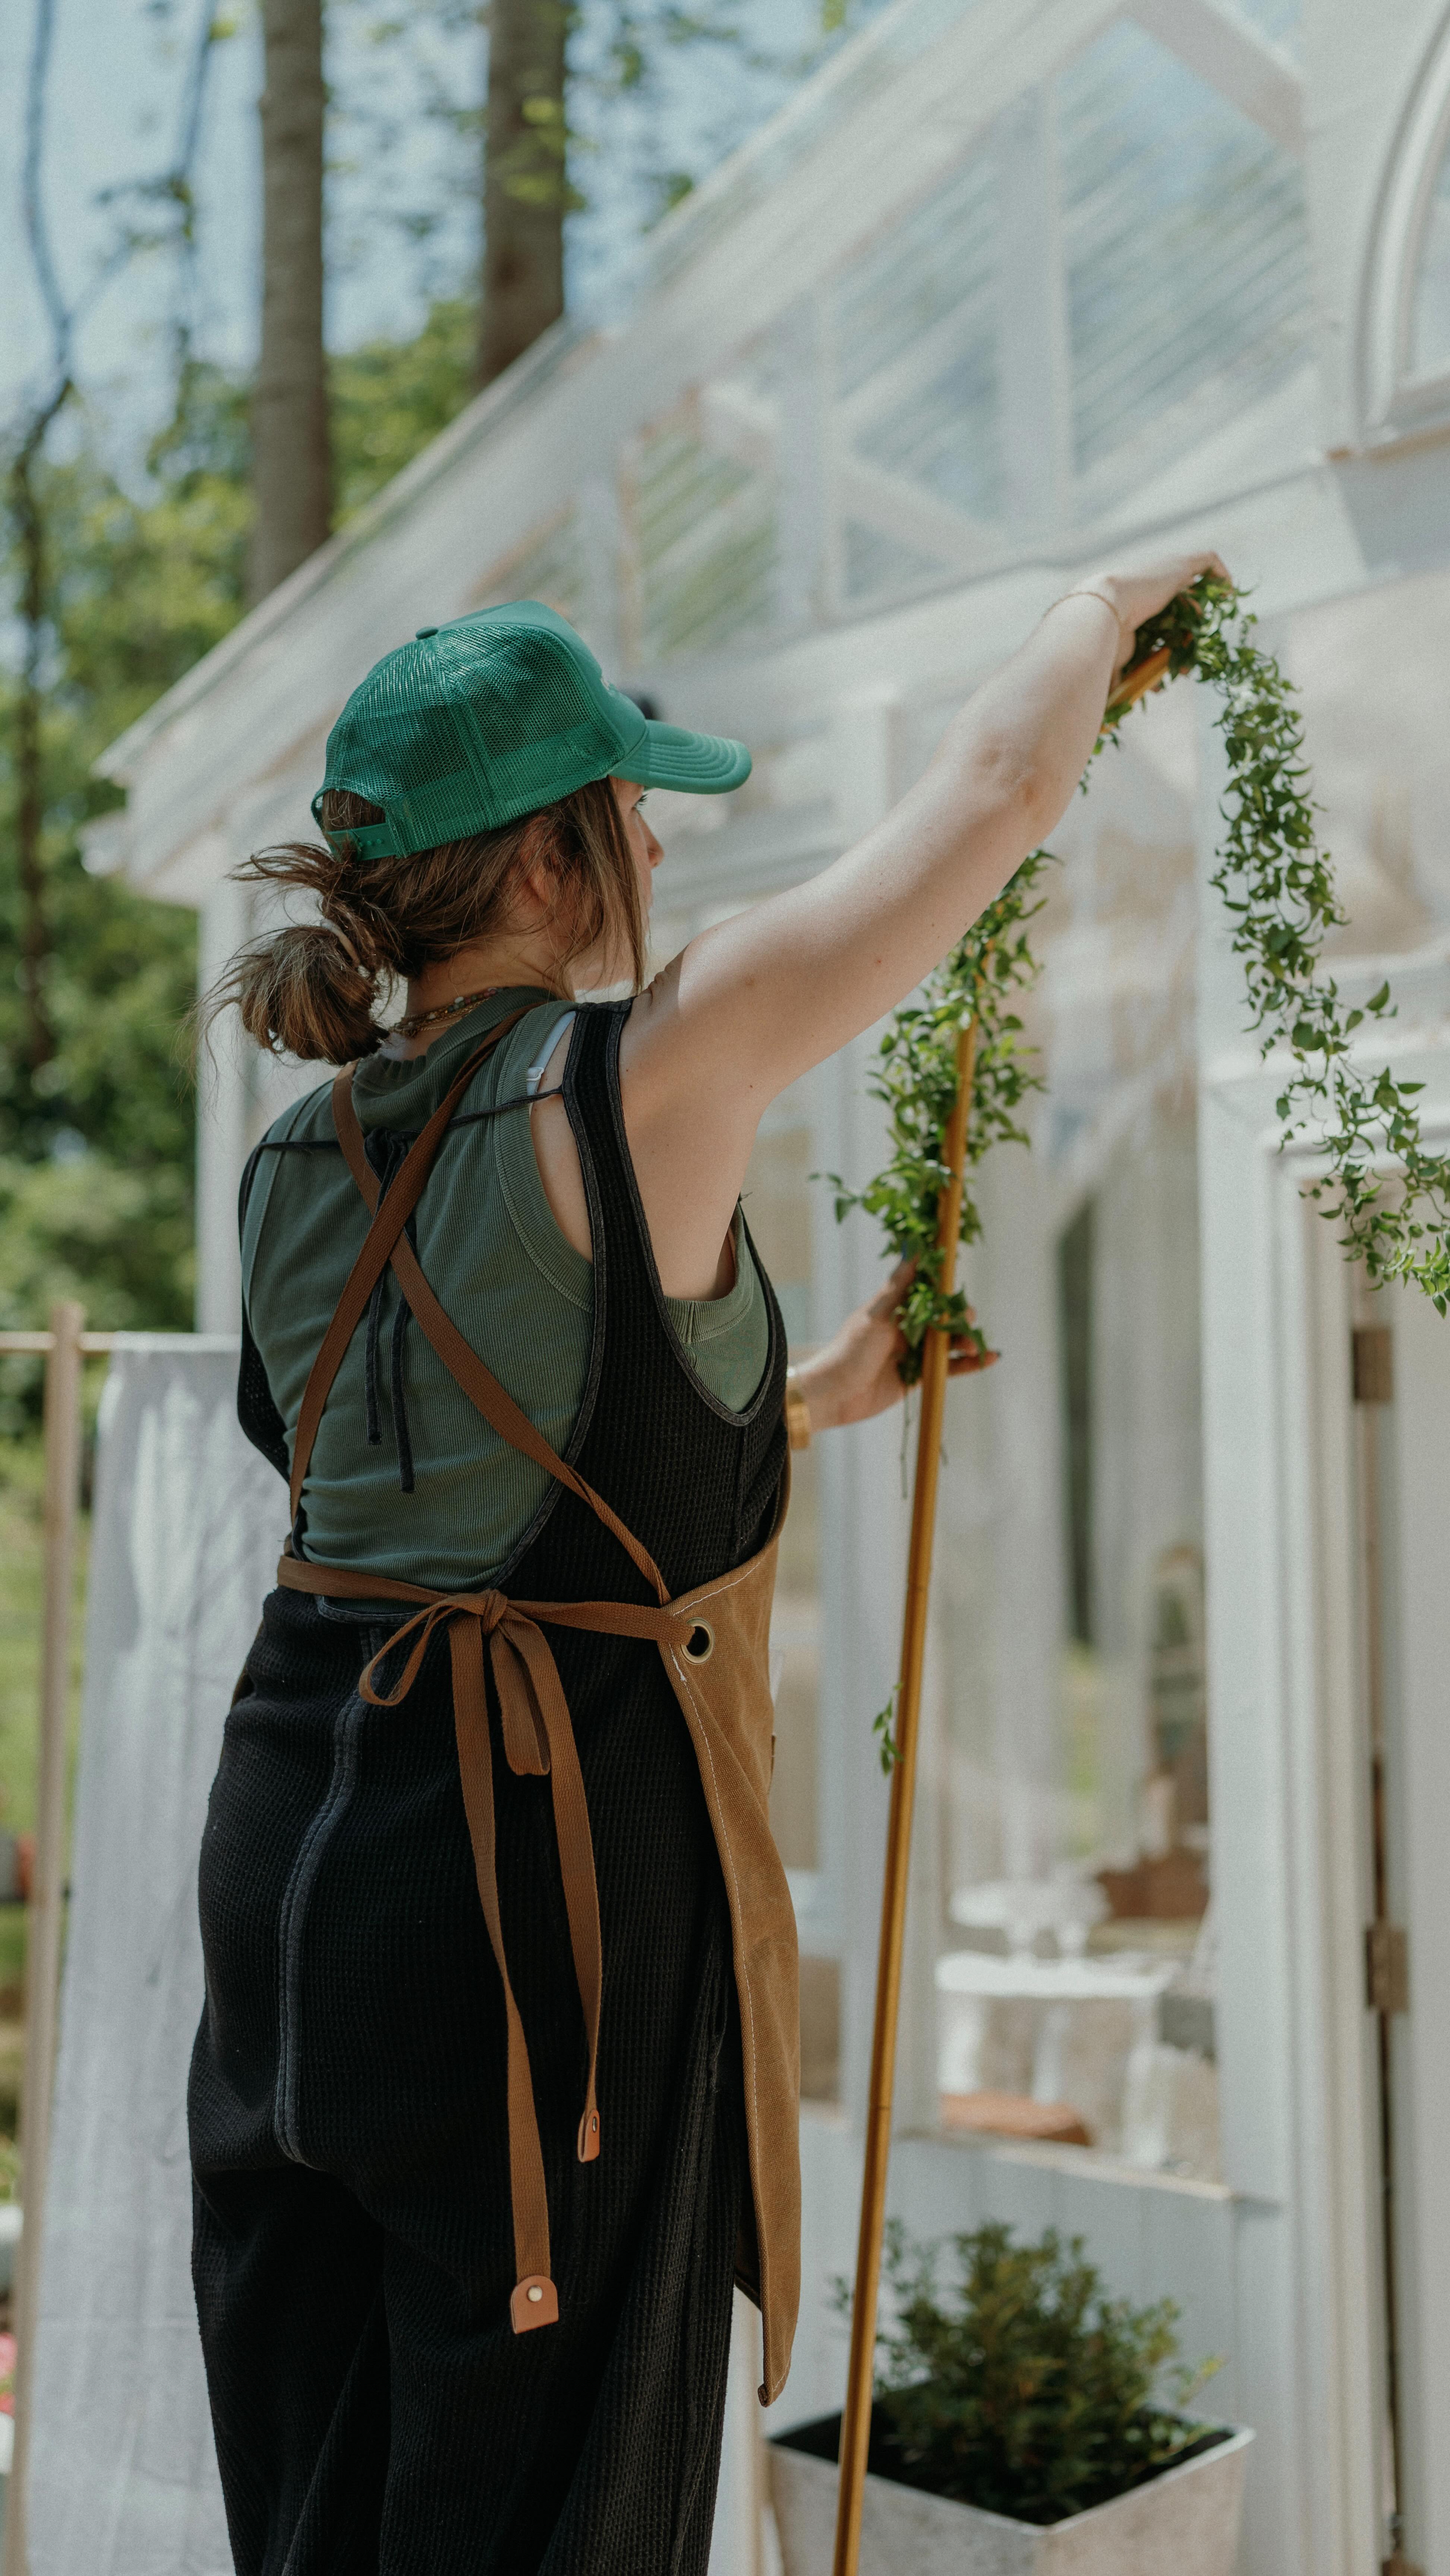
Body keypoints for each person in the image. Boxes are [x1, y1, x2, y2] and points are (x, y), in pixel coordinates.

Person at [190, 557, 1225, 2576]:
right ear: (552, 865)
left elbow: (463, 1479)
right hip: (527, 1900)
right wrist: (1109, 601)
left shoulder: (293, 1160)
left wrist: (809, 1400)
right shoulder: (641, 1067)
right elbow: (1001, 798)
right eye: (630, 809)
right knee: (559, 2494)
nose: (660, 840)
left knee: (325, 2486)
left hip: (298, 1874)